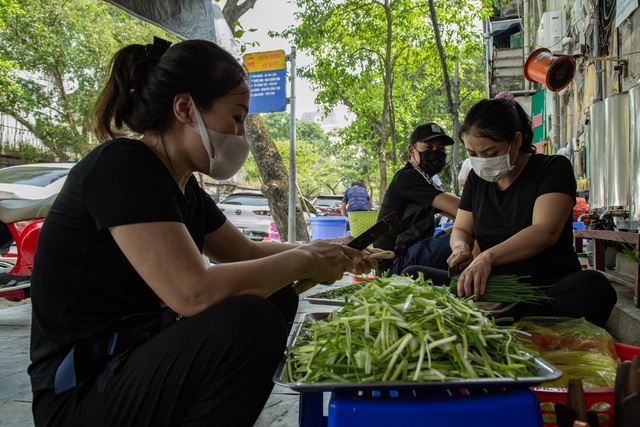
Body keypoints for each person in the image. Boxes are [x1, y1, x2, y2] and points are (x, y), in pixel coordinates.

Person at [28, 37, 380, 427]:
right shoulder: (122, 167)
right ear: (185, 108)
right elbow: (192, 292)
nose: (241, 135)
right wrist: (304, 259)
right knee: (251, 322)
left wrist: (330, 249)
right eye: (236, 117)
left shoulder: (184, 187)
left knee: (276, 296)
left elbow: (245, 254)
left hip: (133, 366)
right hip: (82, 393)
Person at [444, 95, 616, 327]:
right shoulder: (477, 179)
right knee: (414, 273)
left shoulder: (553, 169)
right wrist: (462, 248)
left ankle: (515, 322)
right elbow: (463, 228)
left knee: (593, 287)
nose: (481, 161)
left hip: (546, 291)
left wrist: (487, 256)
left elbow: (545, 231)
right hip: (492, 291)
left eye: (490, 153)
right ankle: (503, 319)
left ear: (516, 140)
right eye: (472, 154)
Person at [374, 123, 460, 275]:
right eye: (428, 147)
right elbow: (463, 210)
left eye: (440, 149)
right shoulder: (409, 177)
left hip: (410, 254)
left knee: (463, 234)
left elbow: (462, 218)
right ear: (411, 150)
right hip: (396, 263)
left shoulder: (426, 181)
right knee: (468, 239)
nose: (435, 153)